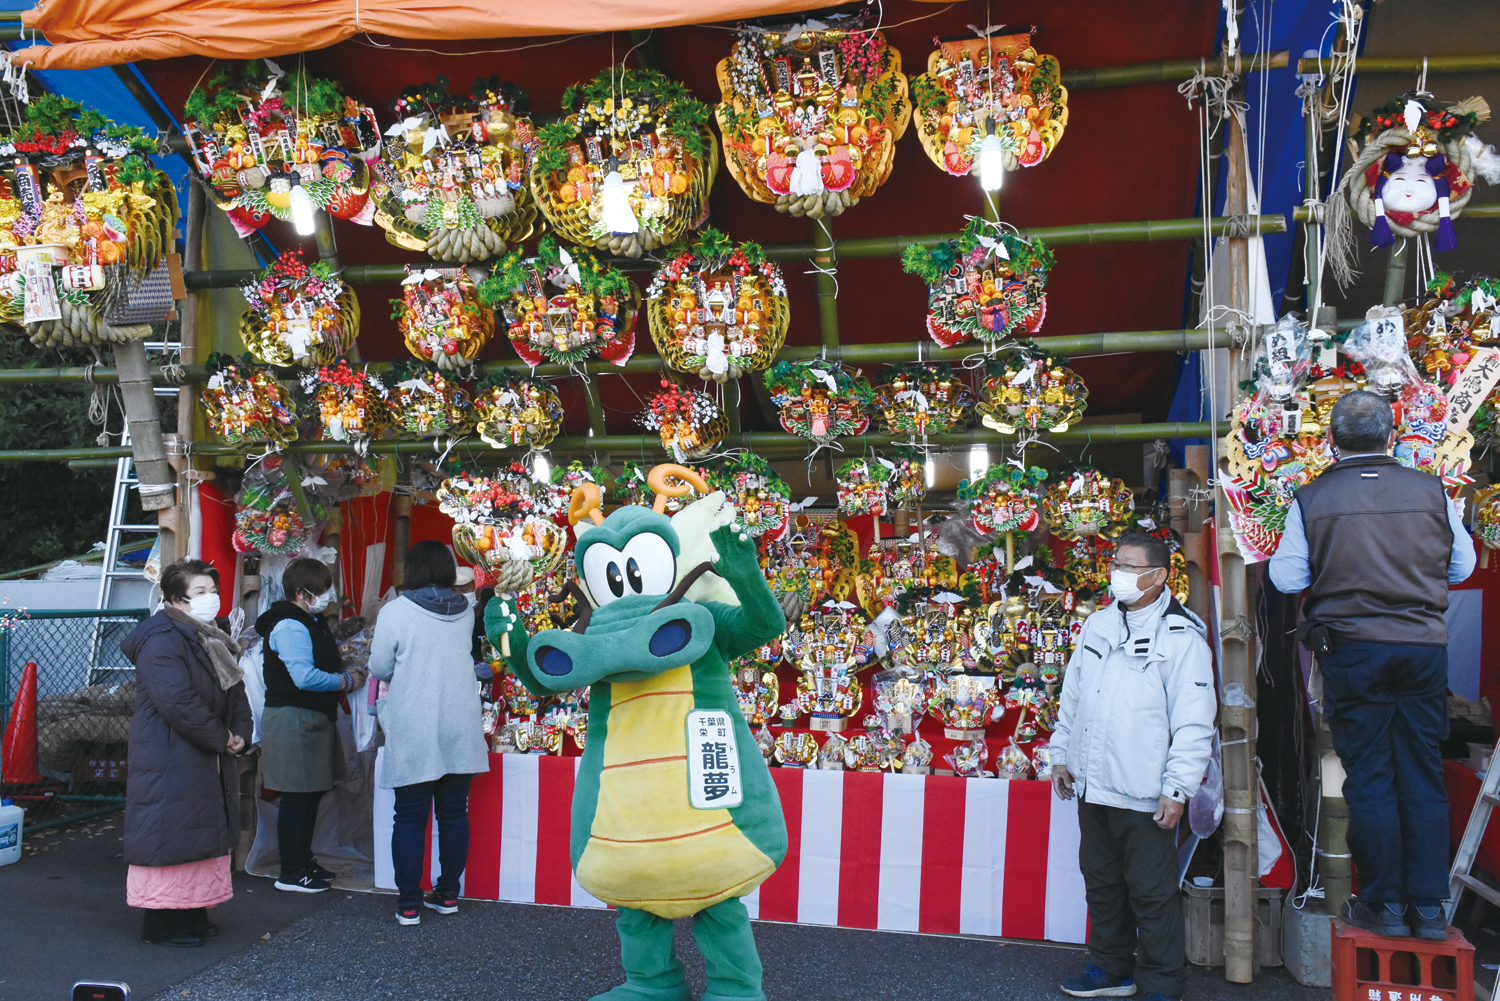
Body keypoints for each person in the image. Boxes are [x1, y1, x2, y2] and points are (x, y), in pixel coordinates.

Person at [1269, 390, 1475, 940]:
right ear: (1392, 436)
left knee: (1372, 776)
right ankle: (1428, 910)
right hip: (1422, 648)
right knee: (1422, 771)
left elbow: (1286, 578)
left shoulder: (1313, 497)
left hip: (1353, 649)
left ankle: (1384, 906)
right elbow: (1462, 565)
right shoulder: (1431, 490)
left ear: (1332, 441)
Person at [1050, 531, 1216, 1001]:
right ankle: (1110, 969)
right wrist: (1061, 755)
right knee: (1101, 883)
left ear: (1158, 575)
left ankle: (1163, 982)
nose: (1117, 575)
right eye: (1116, 565)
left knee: (1151, 892)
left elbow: (1194, 722)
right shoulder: (1098, 625)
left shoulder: (1184, 637)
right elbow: (1073, 697)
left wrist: (1178, 788)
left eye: (1129, 567)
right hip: (1092, 784)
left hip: (1144, 790)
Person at [121, 559, 253, 947]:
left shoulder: (209, 635)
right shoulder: (160, 638)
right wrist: (222, 737)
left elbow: (236, 692)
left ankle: (194, 914)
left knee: (198, 833)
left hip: (202, 749)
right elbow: (177, 702)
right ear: (176, 599)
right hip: (168, 753)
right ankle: (161, 925)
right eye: (201, 592)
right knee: (172, 833)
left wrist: (239, 733)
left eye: (213, 591)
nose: (211, 598)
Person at [369, 541, 490, 926]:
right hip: (460, 723)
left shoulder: (396, 612)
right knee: (454, 814)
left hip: (413, 724)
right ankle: (448, 894)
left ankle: (408, 902)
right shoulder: (467, 612)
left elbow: (380, 665)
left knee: (409, 817)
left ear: (412, 570)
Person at [255, 556, 365, 894]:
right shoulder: (290, 625)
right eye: (323, 590)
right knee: (295, 797)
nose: (329, 596)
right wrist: (345, 680)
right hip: (293, 719)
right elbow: (303, 677)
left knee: (311, 794)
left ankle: (304, 861)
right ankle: (291, 871)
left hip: (312, 718)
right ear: (302, 593)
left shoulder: (310, 620)